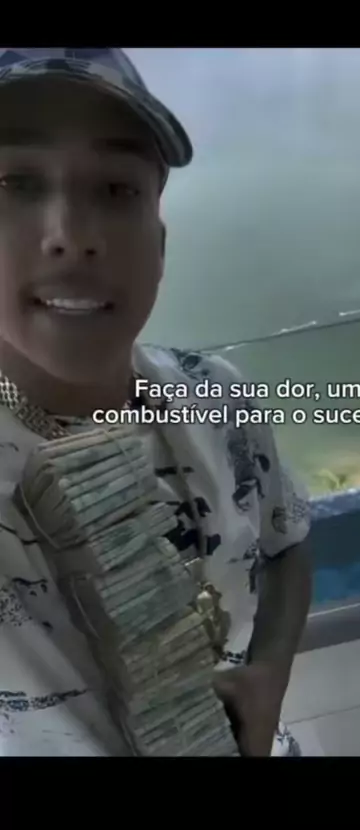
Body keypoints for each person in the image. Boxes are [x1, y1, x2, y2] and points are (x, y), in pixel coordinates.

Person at [0, 47, 312, 757]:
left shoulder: (215, 393)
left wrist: (268, 675)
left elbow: (288, 541)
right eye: (14, 181)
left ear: (160, 246)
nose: (71, 237)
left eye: (117, 189)